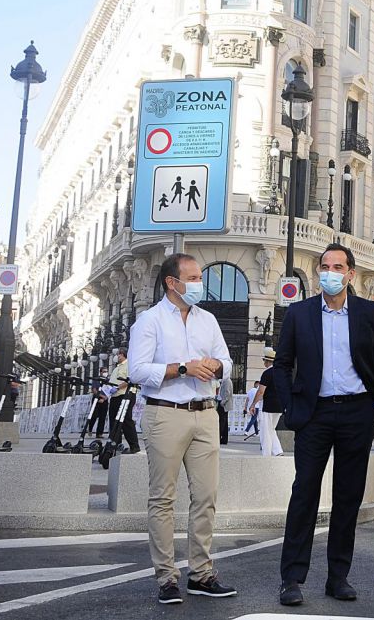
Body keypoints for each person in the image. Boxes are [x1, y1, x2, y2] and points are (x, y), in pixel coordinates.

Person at [272, 243, 374, 607]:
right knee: (304, 493)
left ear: (350, 274)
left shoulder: (368, 312)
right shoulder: (300, 312)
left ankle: (338, 577)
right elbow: (282, 364)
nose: (330, 273)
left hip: (357, 413)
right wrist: (291, 407)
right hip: (315, 414)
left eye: (338, 267)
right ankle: (292, 578)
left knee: (348, 496)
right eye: (324, 266)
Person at [128, 253, 236, 605]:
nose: (199, 283)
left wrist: (214, 366)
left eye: (199, 277)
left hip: (206, 414)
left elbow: (228, 363)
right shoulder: (149, 321)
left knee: (206, 496)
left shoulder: (208, 320)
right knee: (163, 498)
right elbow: (137, 371)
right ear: (171, 283)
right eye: (192, 278)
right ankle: (166, 578)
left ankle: (201, 574)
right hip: (165, 414)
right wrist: (183, 368)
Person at [249, 348, 284, 456]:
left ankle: (266, 454)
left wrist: (253, 404)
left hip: (267, 405)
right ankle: (278, 451)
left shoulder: (267, 373)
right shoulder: (282, 372)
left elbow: (261, 392)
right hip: (279, 405)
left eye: (264, 360)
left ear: (267, 361)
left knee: (265, 430)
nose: (264, 362)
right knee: (271, 429)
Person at [105, 346, 139, 455]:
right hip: (115, 396)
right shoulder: (117, 368)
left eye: (118, 354)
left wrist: (118, 387)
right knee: (113, 421)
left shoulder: (129, 365)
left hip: (126, 395)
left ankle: (134, 446)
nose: (117, 356)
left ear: (123, 354)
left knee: (125, 420)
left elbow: (130, 379)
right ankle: (115, 445)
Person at [87, 375, 109, 443]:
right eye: (104, 371)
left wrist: (104, 398)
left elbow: (110, 391)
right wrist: (101, 396)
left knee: (102, 417)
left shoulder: (108, 380)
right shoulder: (96, 380)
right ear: (101, 372)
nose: (105, 373)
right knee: (94, 415)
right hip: (97, 398)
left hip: (105, 399)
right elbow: (94, 390)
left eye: (106, 371)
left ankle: (99, 433)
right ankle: (90, 428)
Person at [216, 372, 233, 445]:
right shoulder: (226, 380)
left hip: (223, 404)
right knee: (224, 422)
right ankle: (224, 439)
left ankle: (220, 437)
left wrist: (222, 402)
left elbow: (227, 393)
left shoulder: (226, 381)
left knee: (222, 422)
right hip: (224, 403)